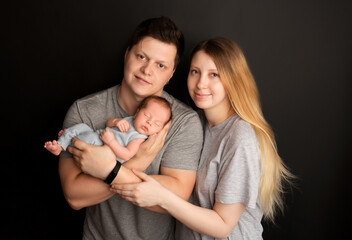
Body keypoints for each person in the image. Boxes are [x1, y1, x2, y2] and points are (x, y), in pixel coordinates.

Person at [111, 38, 295, 239]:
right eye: (195, 72)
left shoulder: (240, 137)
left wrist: (162, 197)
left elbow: (222, 226)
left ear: (233, 80)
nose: (201, 84)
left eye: (214, 74)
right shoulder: (194, 123)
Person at [58, 16, 203, 239]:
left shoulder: (183, 121)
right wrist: (139, 162)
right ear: (127, 54)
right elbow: (74, 196)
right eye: (141, 56)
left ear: (171, 73)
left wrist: (108, 171)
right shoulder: (84, 111)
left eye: (160, 65)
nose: (147, 70)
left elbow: (176, 198)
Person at [44, 95, 172, 165]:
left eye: (156, 124)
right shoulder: (129, 119)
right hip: (98, 135)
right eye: (147, 115)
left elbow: (126, 154)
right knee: (83, 126)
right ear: (138, 111)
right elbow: (108, 123)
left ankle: (68, 140)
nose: (149, 122)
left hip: (104, 150)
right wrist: (116, 121)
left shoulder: (139, 138)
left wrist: (111, 142)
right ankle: (62, 143)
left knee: (87, 137)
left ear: (158, 131)